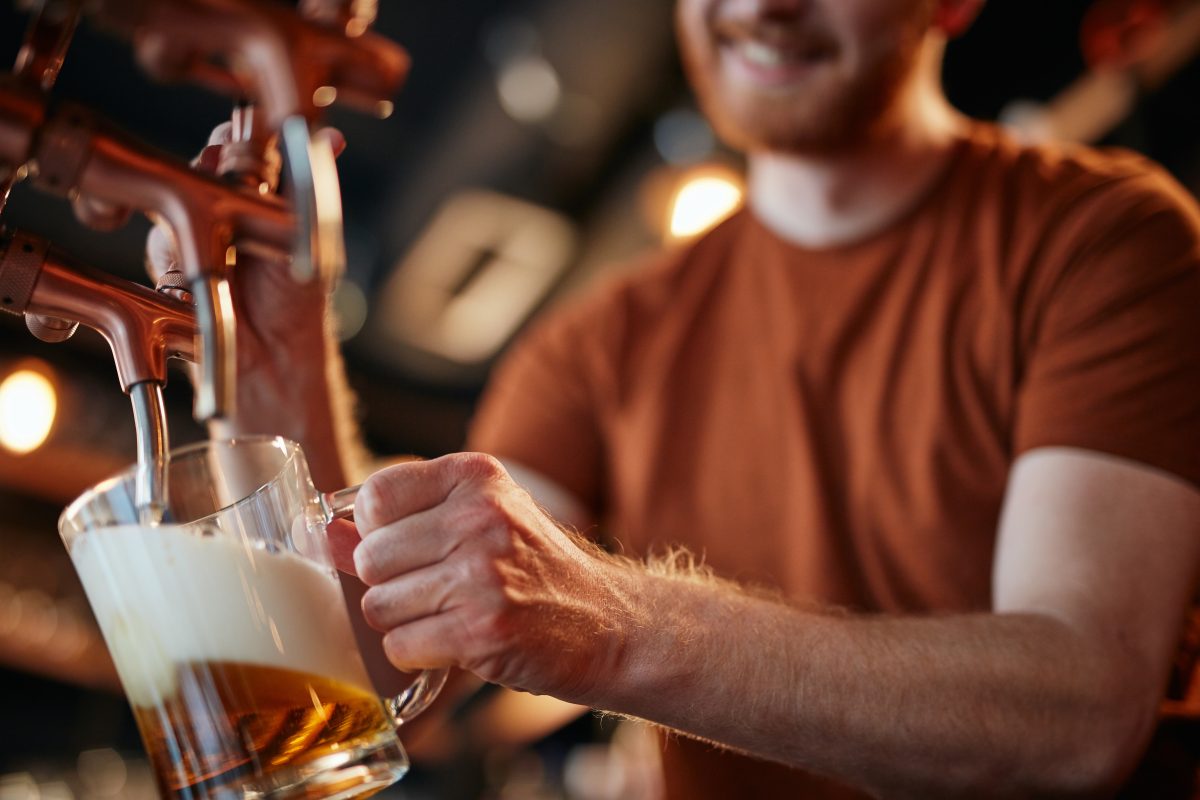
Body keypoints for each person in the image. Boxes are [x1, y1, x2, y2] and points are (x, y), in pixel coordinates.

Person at [154, 0, 1200, 795]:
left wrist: (610, 623)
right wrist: (279, 341)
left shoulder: (1106, 238)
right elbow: (374, 679)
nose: (760, 6)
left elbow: (1081, 709)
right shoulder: (598, 342)